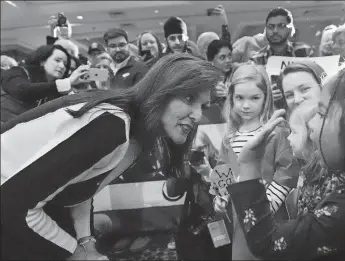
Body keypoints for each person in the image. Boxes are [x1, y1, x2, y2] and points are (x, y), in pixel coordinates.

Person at [1, 53, 221, 260]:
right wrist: (78, 253)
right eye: (189, 98)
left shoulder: (132, 134)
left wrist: (86, 242)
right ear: (161, 90)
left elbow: (80, 187)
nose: (198, 115)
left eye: (204, 106)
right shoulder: (111, 124)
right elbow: (14, 206)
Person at [226, 58, 345, 260]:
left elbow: (270, 243)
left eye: (321, 112)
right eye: (288, 94)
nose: (312, 126)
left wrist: (249, 164)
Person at [201, 64, 300, 260]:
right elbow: (223, 167)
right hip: (239, 213)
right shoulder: (230, 136)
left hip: (269, 214)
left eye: (254, 98)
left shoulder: (277, 131)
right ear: (231, 98)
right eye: (240, 98)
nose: (246, 105)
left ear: (266, 98)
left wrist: (267, 204)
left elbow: (287, 171)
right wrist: (220, 197)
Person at [1, 44, 91, 123]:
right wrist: (66, 83)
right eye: (57, 60)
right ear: (42, 61)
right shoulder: (19, 71)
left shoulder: (57, 90)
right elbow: (22, 90)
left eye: (65, 64)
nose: (62, 66)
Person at [250, 7, 314, 66]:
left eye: (281, 26)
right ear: (266, 30)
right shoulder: (257, 59)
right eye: (271, 27)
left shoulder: (305, 52)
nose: (275, 31)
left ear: (289, 29)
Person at [206, 39, 233, 107]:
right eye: (222, 57)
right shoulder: (204, 79)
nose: (228, 60)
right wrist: (212, 94)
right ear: (211, 59)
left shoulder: (236, 74)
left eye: (229, 56)